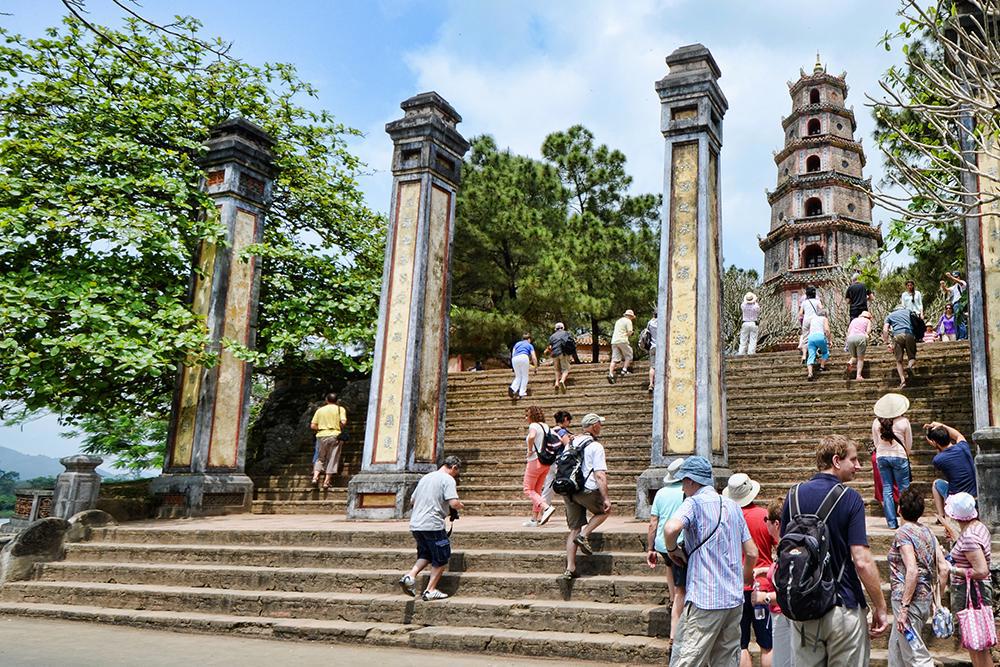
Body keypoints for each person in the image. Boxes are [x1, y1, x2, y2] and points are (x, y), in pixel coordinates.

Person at [780, 435, 888, 666]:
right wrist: (880, 606)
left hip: (805, 606)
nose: (859, 466)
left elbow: (784, 549)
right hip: (843, 604)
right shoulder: (850, 498)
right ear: (837, 461)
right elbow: (861, 560)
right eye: (854, 459)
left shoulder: (793, 495)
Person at [663, 456, 758, 667]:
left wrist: (672, 549)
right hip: (733, 600)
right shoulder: (733, 506)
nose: (682, 488)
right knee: (726, 661)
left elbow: (670, 528)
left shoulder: (693, 503)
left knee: (687, 659)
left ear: (691, 481)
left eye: (683, 482)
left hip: (705, 598)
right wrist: (744, 577)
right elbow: (752, 552)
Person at [723, 474, 776, 667]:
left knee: (741, 644)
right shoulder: (764, 516)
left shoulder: (726, 518)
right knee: (767, 645)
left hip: (736, 586)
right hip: (762, 586)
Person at [886, 488, 941, 667]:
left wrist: (904, 608)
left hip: (908, 601)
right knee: (896, 648)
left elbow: (912, 570)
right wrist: (937, 601)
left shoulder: (903, 533)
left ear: (899, 510)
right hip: (923, 599)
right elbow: (943, 568)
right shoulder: (928, 532)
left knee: (916, 656)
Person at [399, 456, 464, 601]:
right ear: (454, 467)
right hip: (433, 526)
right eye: (456, 472)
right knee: (442, 555)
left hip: (416, 525)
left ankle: (410, 576)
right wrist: (460, 506)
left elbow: (412, 500)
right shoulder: (448, 479)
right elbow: (453, 503)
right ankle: (430, 590)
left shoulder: (425, 478)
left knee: (426, 554)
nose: (456, 475)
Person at [944, 492, 995, 666]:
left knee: (977, 643)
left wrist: (952, 569)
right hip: (976, 590)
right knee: (976, 643)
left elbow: (981, 570)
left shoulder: (969, 537)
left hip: (972, 591)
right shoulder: (978, 527)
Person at [562, 413, 611, 579]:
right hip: (586, 489)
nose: (601, 427)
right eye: (600, 424)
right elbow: (600, 475)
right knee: (604, 511)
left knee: (574, 528)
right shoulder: (596, 446)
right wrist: (605, 498)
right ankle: (584, 536)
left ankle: (570, 568)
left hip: (569, 490)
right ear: (594, 426)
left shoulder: (571, 442)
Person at [646, 458, 686, 643]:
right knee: (681, 588)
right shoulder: (686, 491)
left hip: (662, 542)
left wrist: (650, 547)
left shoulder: (661, 493)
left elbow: (653, 522)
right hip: (679, 542)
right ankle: (675, 629)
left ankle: (671, 598)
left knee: (669, 566)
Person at [757, 500, 792, 667]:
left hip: (783, 615)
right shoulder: (785, 545)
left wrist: (764, 598)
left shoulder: (786, 548)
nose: (765, 524)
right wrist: (766, 570)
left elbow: (789, 591)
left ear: (776, 524)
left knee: (782, 663)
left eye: (767, 520)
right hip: (781, 614)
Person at [924, 420, 978, 526]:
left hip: (956, 498)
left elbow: (943, 457)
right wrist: (941, 425)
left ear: (934, 442)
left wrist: (936, 446)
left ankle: (941, 517)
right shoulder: (963, 447)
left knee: (936, 484)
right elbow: (957, 435)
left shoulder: (938, 460)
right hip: (974, 493)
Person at [872, 393, 913, 529]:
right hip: (899, 456)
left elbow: (876, 442)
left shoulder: (876, 422)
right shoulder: (903, 421)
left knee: (887, 488)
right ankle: (905, 520)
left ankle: (891, 522)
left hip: (882, 456)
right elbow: (909, 442)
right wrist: (906, 454)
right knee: (904, 489)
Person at [522, 406, 556, 528]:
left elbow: (531, 437)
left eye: (527, 415)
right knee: (536, 491)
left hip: (535, 461)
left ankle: (546, 507)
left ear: (532, 416)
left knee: (527, 489)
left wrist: (529, 450)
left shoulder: (533, 426)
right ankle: (534, 519)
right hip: (546, 462)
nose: (526, 418)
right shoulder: (546, 426)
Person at [310, 393, 348, 489]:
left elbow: (313, 425)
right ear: (337, 400)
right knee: (333, 458)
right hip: (335, 435)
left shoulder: (320, 410)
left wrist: (321, 428)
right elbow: (343, 422)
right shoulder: (340, 409)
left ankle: (315, 477)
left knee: (320, 458)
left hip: (321, 436)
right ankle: (326, 482)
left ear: (326, 400)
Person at [541, 410, 573, 508]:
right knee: (567, 484)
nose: (569, 423)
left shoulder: (551, 431)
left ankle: (543, 509)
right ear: (565, 419)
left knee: (548, 488)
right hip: (560, 463)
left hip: (551, 462)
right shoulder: (562, 431)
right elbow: (568, 445)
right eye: (569, 421)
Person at [883, 306, 917, 388]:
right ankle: (909, 367)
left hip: (897, 336)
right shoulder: (908, 311)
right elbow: (917, 321)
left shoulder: (890, 315)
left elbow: (885, 329)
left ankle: (903, 381)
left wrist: (887, 342)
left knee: (899, 361)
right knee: (912, 357)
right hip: (909, 334)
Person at [608, 309, 636, 383]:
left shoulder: (618, 321)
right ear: (630, 316)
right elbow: (630, 332)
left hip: (614, 341)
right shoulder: (628, 321)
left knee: (614, 359)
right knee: (629, 355)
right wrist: (631, 333)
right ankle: (624, 370)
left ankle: (610, 373)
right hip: (622, 340)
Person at [797, 286, 823, 364]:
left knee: (805, 339)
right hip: (815, 320)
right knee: (815, 337)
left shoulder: (804, 302)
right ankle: (814, 355)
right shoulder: (817, 301)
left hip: (806, 320)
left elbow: (800, 313)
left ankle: (804, 356)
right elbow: (821, 310)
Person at [547, 322, 575, 393]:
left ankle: (556, 382)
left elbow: (550, 347)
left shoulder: (552, 336)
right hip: (563, 353)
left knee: (557, 370)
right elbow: (572, 343)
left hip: (555, 354)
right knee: (565, 369)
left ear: (555, 329)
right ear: (563, 328)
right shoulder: (567, 333)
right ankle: (562, 381)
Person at [508, 333, 537, 400]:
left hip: (515, 359)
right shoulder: (529, 345)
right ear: (529, 339)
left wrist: (513, 366)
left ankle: (513, 388)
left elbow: (513, 353)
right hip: (524, 357)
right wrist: (535, 367)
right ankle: (522, 392)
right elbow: (533, 357)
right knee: (525, 376)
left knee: (518, 376)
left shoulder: (517, 344)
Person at [845, 311, 872, 382]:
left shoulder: (854, 320)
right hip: (860, 337)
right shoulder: (867, 321)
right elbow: (868, 331)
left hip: (850, 338)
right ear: (869, 317)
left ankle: (850, 362)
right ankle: (858, 375)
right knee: (860, 359)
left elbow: (849, 331)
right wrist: (866, 334)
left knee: (854, 356)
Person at [804, 306, 830, 380]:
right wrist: (829, 340)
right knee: (825, 352)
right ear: (825, 314)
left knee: (811, 355)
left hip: (811, 338)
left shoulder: (813, 319)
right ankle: (822, 366)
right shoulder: (824, 319)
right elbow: (827, 330)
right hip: (820, 337)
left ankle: (810, 373)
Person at [941, 271, 967, 339]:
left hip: (959, 303)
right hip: (955, 304)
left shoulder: (962, 283)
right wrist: (943, 285)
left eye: (956, 277)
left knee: (960, 320)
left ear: (959, 277)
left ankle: (963, 337)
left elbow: (960, 282)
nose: (954, 278)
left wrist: (950, 277)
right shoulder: (954, 286)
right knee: (956, 321)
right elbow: (947, 290)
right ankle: (959, 336)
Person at [646, 312, 659, 393]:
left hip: (652, 346)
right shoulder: (663, 322)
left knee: (652, 367)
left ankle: (651, 384)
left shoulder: (650, 323)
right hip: (661, 347)